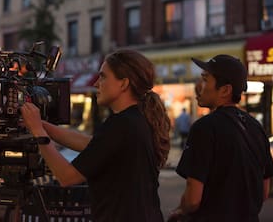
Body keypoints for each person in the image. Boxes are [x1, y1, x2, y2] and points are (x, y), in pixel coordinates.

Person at [20, 49, 171, 221]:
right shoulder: (137, 119)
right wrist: (40, 124)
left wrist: (38, 132)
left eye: (103, 77)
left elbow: (67, 176)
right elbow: (93, 145)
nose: (96, 84)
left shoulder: (122, 124)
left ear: (124, 84)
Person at [168, 55, 273, 222]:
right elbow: (264, 191)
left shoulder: (204, 128)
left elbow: (193, 199)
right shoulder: (256, 127)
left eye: (205, 80)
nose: (200, 86)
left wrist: (180, 210)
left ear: (225, 90)